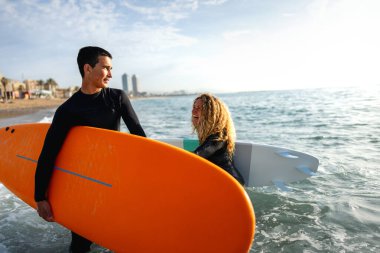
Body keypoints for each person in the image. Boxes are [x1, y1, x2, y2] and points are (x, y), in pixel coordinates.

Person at [34, 46, 146, 253]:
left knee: (119, 240)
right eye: (105, 68)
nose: (111, 74)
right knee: (80, 245)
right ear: (88, 68)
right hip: (85, 186)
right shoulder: (68, 110)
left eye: (111, 69)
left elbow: (140, 139)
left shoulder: (117, 98)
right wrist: (40, 196)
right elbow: (49, 153)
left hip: (115, 182)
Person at [191, 93, 244, 185]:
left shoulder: (219, 137)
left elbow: (199, 154)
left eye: (199, 108)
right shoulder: (209, 135)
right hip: (223, 182)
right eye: (194, 107)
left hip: (233, 185)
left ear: (211, 114)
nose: (193, 112)